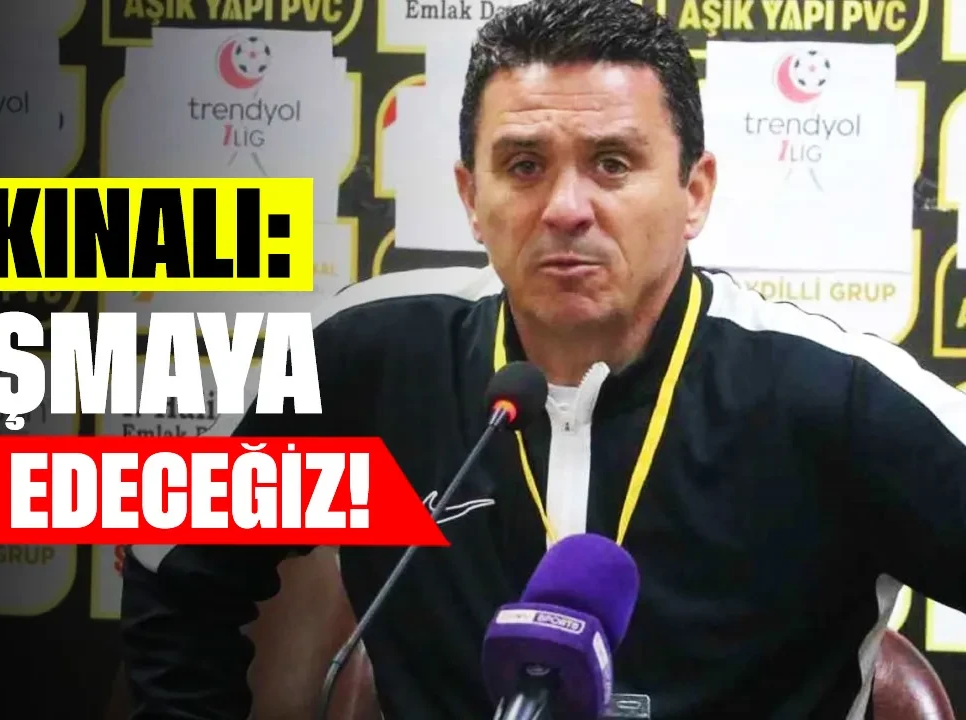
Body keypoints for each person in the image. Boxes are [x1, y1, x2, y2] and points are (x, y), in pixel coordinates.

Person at [118, 0, 966, 717]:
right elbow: (171, 567)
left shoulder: (835, 397)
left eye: (612, 164)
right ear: (470, 197)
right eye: (524, 165)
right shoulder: (369, 356)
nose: (566, 207)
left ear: (694, 192)